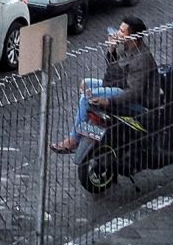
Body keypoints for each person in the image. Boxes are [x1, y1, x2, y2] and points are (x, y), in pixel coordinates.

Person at [51, 16, 158, 154]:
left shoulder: (141, 59)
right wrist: (111, 49)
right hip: (121, 85)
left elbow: (134, 92)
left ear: (133, 37)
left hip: (137, 99)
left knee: (86, 99)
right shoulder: (124, 47)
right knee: (87, 85)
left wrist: (108, 101)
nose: (118, 33)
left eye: (122, 31)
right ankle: (91, 130)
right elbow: (112, 71)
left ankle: (74, 140)